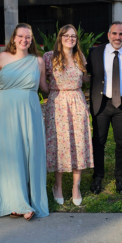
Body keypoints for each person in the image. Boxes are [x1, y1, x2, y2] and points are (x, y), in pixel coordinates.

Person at [0, 23, 49, 220]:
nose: (24, 40)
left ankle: (28, 199)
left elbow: (44, 87)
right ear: (14, 38)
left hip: (29, 109)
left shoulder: (38, 61)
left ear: (31, 40)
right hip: (4, 109)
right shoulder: (2, 58)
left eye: (28, 37)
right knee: (9, 153)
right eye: (21, 36)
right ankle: (14, 202)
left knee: (29, 153)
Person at [87, 21, 122, 195]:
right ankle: (98, 177)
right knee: (99, 142)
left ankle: (120, 178)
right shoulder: (95, 53)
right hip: (101, 103)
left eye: (121, 34)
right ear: (108, 35)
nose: (118, 37)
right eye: (114, 34)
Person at [43, 24, 93, 206]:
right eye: (66, 35)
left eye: (73, 36)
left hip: (77, 102)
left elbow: (86, 78)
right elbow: (42, 81)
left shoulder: (80, 56)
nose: (70, 39)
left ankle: (75, 186)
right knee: (59, 145)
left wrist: (102, 75)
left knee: (78, 143)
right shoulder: (49, 57)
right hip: (57, 104)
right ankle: (57, 186)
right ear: (60, 37)